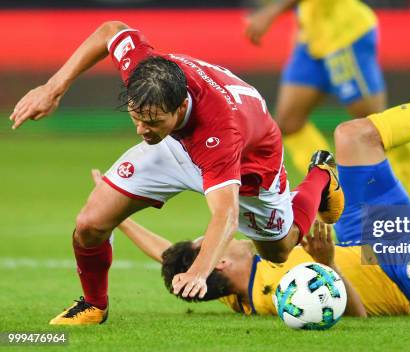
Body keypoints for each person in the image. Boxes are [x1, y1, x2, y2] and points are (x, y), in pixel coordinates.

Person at [114, 34, 410, 317]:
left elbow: (172, 259)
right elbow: (352, 317)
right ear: (216, 264)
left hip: (355, 235)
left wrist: (115, 214)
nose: (214, 237)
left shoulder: (222, 278)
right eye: (206, 242)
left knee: (352, 136)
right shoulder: (267, 295)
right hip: (398, 281)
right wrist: (324, 267)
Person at [8, 21, 344, 325]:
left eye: (151, 122)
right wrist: (53, 89)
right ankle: (95, 305)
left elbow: (225, 215)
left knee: (277, 250)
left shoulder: (219, 132)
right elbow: (110, 30)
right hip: (173, 144)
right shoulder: (146, 75)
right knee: (90, 224)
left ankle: (320, 175)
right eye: (135, 118)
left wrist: (199, 271)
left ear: (181, 106)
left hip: (250, 160)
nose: (141, 130)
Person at [245, 0, 410, 205]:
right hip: (312, 38)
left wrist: (269, 13)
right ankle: (334, 191)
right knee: (289, 123)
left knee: (375, 126)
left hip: (345, 33)